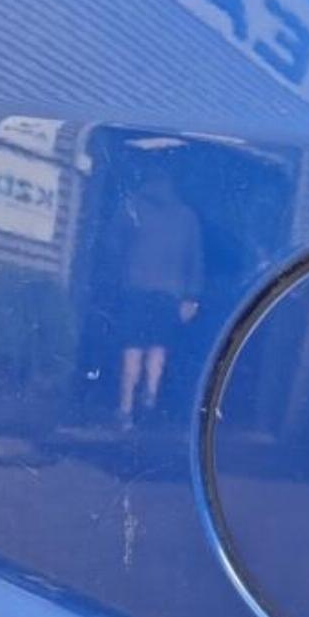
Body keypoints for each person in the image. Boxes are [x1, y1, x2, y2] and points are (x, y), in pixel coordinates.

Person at [112, 171, 203, 430]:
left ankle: (125, 408)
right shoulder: (187, 216)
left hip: (136, 289)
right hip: (169, 294)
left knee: (132, 347)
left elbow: (113, 244)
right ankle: (149, 397)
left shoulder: (133, 206)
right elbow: (195, 260)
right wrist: (191, 298)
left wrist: (123, 272)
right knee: (158, 348)